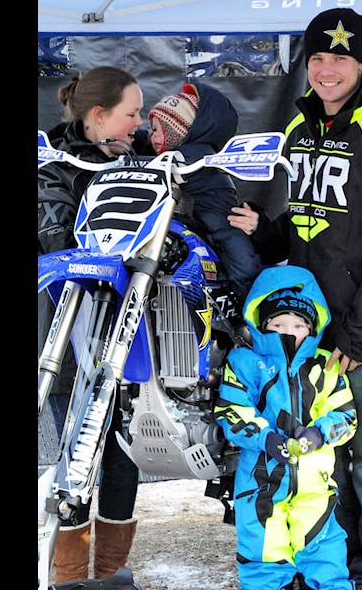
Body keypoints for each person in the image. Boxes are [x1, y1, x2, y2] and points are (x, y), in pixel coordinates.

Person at [227, 8, 362, 590]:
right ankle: (333, 574)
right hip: (314, 333)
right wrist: (266, 232)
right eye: (317, 57)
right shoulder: (301, 132)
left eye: (339, 58)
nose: (326, 69)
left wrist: (359, 334)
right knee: (325, 462)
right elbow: (309, 224)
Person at [37, 66, 150, 583]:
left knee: (123, 456)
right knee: (74, 455)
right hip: (67, 338)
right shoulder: (52, 167)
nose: (139, 123)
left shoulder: (141, 157)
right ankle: (70, 575)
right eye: (131, 114)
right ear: (99, 116)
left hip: (125, 335)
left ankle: (111, 572)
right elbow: (58, 242)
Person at [213, 264, 357, 590]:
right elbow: (231, 410)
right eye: (278, 324)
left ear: (313, 327)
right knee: (262, 559)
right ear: (262, 325)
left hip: (316, 491)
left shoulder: (325, 367)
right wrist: (267, 438)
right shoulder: (245, 363)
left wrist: (318, 433)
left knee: (327, 557)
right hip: (260, 488)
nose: (288, 332)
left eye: (297, 324)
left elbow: (345, 417)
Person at [148, 83, 262, 309]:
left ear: (178, 131)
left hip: (217, 218)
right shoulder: (168, 156)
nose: (152, 138)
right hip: (194, 221)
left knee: (242, 264)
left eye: (157, 130)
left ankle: (244, 307)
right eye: (151, 130)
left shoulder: (192, 156)